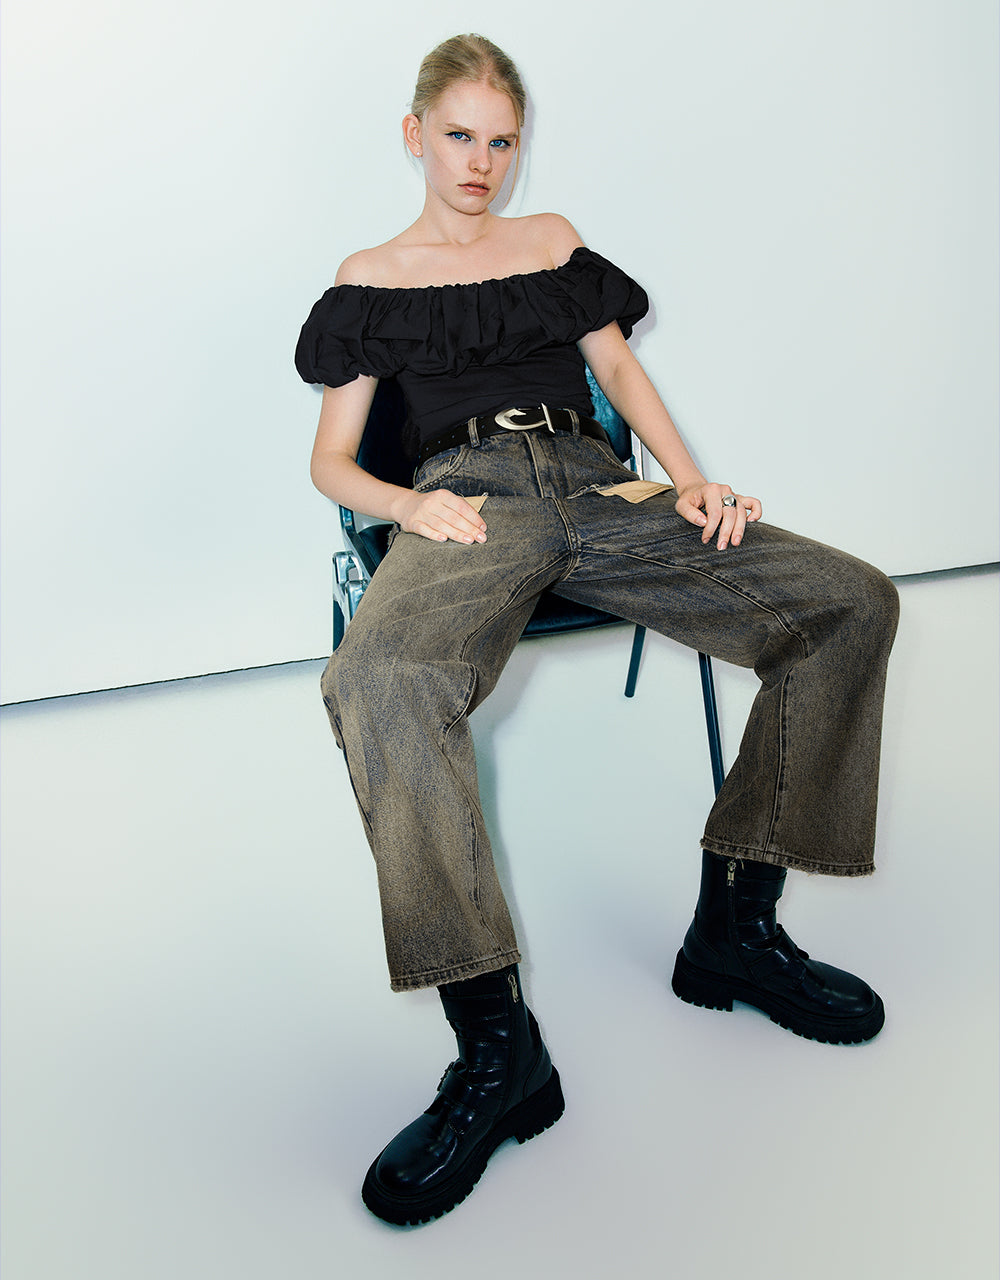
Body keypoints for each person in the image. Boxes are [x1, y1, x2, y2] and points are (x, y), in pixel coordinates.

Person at [295, 33, 899, 1227]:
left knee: (850, 601)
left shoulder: (550, 241)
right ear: (414, 135)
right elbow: (329, 460)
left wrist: (690, 480)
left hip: (599, 484)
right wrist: (408, 505)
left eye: (501, 140)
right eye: (458, 136)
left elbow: (617, 376)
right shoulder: (370, 278)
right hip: (469, 500)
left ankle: (735, 930)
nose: (481, 162)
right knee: (377, 680)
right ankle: (496, 1045)